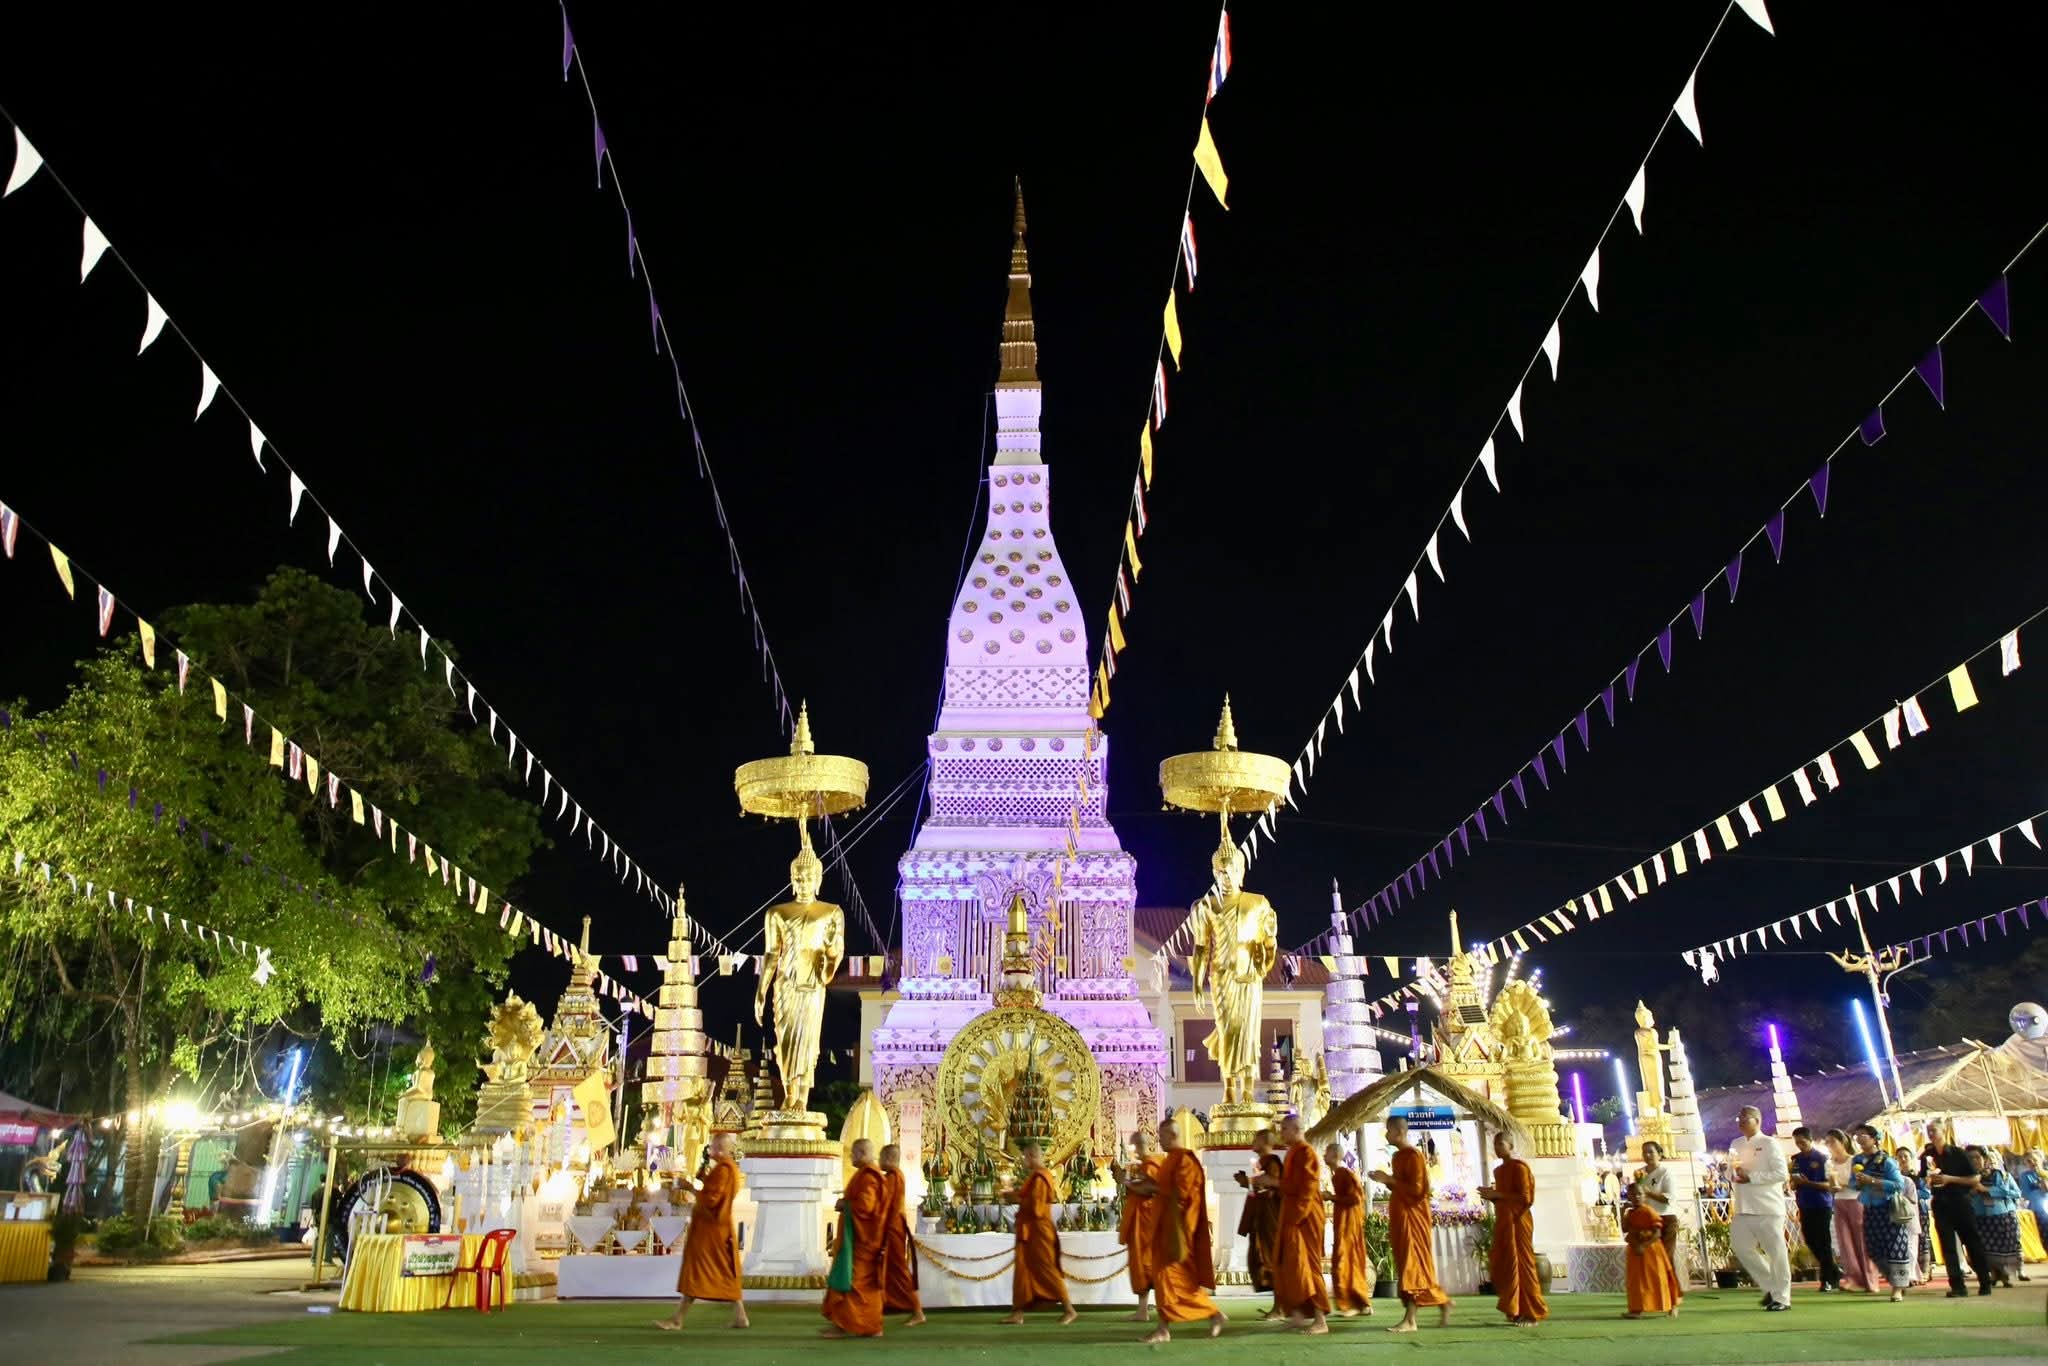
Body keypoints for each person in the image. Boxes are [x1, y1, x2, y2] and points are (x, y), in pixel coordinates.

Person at [1134, 1117, 1226, 1343]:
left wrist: (1152, 1187)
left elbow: (1181, 1194)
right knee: (1168, 1279)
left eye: (1162, 1135)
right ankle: (1172, 1326)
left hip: (1179, 1228)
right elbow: (1163, 1190)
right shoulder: (1169, 1160)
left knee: (1174, 1278)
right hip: (1165, 1226)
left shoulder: (1185, 1160)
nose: (1159, 1139)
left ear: (1173, 1135)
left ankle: (1210, 1314)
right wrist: (1143, 1187)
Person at [656, 1131, 749, 1331]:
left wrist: (690, 1188)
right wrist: (703, 1178)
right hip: (716, 1229)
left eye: (713, 1146)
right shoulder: (725, 1169)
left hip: (711, 1231)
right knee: (725, 1274)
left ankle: (677, 1319)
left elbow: (712, 1200)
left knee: (697, 1272)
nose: (710, 1149)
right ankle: (740, 1316)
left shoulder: (724, 1170)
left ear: (721, 1149)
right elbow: (713, 1192)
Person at [1370, 1114, 1453, 1333]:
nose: (1386, 1134)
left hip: (1414, 1218)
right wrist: (1386, 1180)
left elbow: (1418, 1190)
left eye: (1388, 1131)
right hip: (1401, 1216)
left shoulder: (1414, 1156)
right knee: (1411, 1266)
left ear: (1399, 1132)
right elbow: (1400, 1186)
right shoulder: (1398, 1157)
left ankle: (1410, 1319)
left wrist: (1387, 1179)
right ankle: (1442, 1301)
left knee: (1412, 1267)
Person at [1001, 1142, 1076, 1325]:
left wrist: (1015, 1197)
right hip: (1029, 1231)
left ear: (1032, 1156)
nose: (1024, 1161)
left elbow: (1036, 1208)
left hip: (1039, 1230)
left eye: (1025, 1157)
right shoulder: (1034, 1177)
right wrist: (1016, 1195)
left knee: (1046, 1269)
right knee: (1023, 1270)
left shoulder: (1042, 1177)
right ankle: (1017, 1312)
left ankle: (1069, 1309)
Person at [1727, 1105, 1792, 1311]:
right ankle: (1770, 1286)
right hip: (1744, 1205)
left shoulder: (1769, 1143)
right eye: (1739, 1118)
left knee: (1776, 1253)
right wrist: (1730, 1173)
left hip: (1768, 1206)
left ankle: (1782, 1297)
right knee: (1740, 1246)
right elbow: (1731, 1173)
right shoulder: (1735, 1144)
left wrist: (1753, 1177)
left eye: (1745, 1118)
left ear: (1757, 1120)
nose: (1741, 1122)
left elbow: (1781, 1174)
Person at [1478, 1132, 1545, 1326]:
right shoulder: (1499, 1171)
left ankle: (1531, 1312)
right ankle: (1515, 1308)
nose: (1497, 1148)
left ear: (1510, 1145)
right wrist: (1492, 1196)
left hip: (1519, 1220)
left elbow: (1525, 1198)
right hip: (1505, 1221)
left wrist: (1497, 1194)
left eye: (1501, 1144)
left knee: (1523, 1265)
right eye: (1495, 1145)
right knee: (1507, 1264)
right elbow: (1504, 1197)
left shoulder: (1520, 1168)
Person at [822, 1138, 887, 1338]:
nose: (851, 1157)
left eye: (853, 1153)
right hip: (857, 1238)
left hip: (862, 1241)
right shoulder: (864, 1175)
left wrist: (845, 1205)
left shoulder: (869, 1177)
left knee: (854, 1282)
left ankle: (858, 1326)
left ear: (862, 1154)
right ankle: (861, 1325)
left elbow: (866, 1207)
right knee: (857, 1283)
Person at [1271, 1113, 1330, 1334]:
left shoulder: (1306, 1153)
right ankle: (1297, 1314)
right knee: (1291, 1266)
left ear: (1297, 1130)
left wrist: (1295, 1218)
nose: (1281, 1133)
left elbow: (1307, 1189)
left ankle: (1320, 1320)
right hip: (1293, 1215)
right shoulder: (1293, 1153)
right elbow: (1291, 1186)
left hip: (1304, 1217)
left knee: (1307, 1267)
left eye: (1284, 1129)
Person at [1925, 1122, 1993, 1297]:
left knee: (1972, 1242)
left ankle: (1985, 1281)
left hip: (1960, 1202)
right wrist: (1927, 1180)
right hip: (1940, 1204)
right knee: (1948, 1246)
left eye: (1934, 1130)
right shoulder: (1927, 1155)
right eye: (1929, 1131)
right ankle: (1957, 1286)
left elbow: (1974, 1178)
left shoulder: (1957, 1153)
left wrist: (1950, 1179)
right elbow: (1922, 1177)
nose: (1931, 1134)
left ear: (1944, 1131)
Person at [1849, 1126, 1912, 1301]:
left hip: (1888, 1208)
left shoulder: (1886, 1161)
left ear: (1874, 1138)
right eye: (1858, 1135)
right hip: (1870, 1208)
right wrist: (1860, 1183)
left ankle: (1897, 1289)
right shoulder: (1857, 1160)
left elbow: (1899, 1185)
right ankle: (1896, 1281)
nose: (1860, 1138)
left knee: (1895, 1248)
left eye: (1864, 1135)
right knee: (1874, 1249)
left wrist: (1873, 1181)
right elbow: (1853, 1184)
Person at [1235, 1128, 1284, 1315]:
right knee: (1260, 1259)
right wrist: (1247, 1181)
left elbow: (1273, 1184)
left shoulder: (1272, 1162)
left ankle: (1280, 1308)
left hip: (1270, 1218)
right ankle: (1277, 1307)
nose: (1252, 1141)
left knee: (1271, 1260)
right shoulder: (1262, 1163)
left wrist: (1253, 1180)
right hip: (1261, 1217)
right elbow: (1262, 1186)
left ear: (1264, 1142)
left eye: (1256, 1138)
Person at [1787, 1128, 1841, 1291]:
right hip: (1804, 1203)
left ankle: (1827, 1279)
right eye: (1797, 1142)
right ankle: (1834, 1271)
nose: (1800, 1145)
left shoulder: (1822, 1159)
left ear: (1810, 1140)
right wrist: (1795, 1183)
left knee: (1823, 1241)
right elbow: (1793, 1182)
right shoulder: (1796, 1160)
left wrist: (1808, 1183)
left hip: (1821, 1204)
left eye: (1802, 1142)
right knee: (1810, 1240)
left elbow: (1829, 1184)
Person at [878, 1143, 925, 1327]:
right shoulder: (891, 1176)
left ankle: (918, 1311)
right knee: (889, 1270)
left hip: (893, 1229)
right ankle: (884, 1305)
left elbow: (883, 1203)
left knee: (900, 1271)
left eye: (881, 1158)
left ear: (889, 1159)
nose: (879, 1162)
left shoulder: (894, 1177)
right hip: (890, 1228)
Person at [1826, 1128, 1878, 1293]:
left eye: (1833, 1141)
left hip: (1856, 1200)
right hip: (1839, 1201)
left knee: (1862, 1241)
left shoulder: (1854, 1160)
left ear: (1843, 1142)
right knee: (1845, 1242)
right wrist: (1833, 1187)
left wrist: (1840, 1184)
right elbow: (1831, 1185)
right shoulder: (1830, 1163)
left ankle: (1870, 1279)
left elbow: (1858, 1182)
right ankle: (1853, 1278)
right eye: (1828, 1142)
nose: (1830, 1145)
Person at [1326, 1142, 1374, 1318]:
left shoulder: (1345, 1173)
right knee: (1344, 1264)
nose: (1324, 1156)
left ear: (1334, 1155)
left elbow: (1356, 1198)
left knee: (1346, 1264)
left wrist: (1331, 1197)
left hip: (1350, 1226)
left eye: (1327, 1153)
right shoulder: (1337, 1175)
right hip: (1343, 1224)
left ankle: (1356, 1303)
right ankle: (1356, 1304)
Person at [1119, 1129, 1162, 1322]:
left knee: (1145, 1263)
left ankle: (1152, 1308)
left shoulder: (1151, 1164)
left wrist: (1128, 1184)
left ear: (1136, 1146)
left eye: (1132, 1145)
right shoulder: (1140, 1165)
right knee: (1139, 1264)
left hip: (1146, 1221)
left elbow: (1154, 1188)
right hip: (1139, 1219)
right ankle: (1142, 1309)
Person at [1622, 1182, 1681, 1318]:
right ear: (1629, 1196)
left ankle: (1672, 1306)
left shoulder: (1649, 1211)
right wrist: (1623, 1213)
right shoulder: (1630, 1213)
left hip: (1651, 1250)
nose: (1636, 1197)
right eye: (1633, 1195)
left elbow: (1657, 1233)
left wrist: (1644, 1245)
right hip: (1635, 1250)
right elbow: (1625, 1229)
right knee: (1636, 1280)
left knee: (1659, 1279)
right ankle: (1636, 1309)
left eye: (1639, 1194)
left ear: (1644, 1196)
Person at [1970, 1147, 2023, 1289]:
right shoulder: (1969, 1177)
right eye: (1971, 1158)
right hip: (1980, 1216)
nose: (1974, 1161)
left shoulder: (1999, 1175)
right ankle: (1993, 1274)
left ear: (1984, 1158)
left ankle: (2006, 1276)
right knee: (1986, 1248)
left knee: (2004, 1247)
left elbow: (2010, 1192)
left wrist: (1987, 1190)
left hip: (2000, 1215)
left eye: (1977, 1157)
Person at [1636, 1141, 1681, 1267]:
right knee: (1649, 1258)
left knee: (1665, 1257)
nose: (1647, 1155)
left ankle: (1669, 1285)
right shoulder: (1640, 1173)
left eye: (1651, 1152)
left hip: (1665, 1217)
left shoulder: (1666, 1172)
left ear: (1659, 1154)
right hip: (1646, 1219)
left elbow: (1669, 1198)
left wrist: (1648, 1193)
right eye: (1644, 1152)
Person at [1902, 1145, 1934, 1284]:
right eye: (1899, 1156)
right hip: (1903, 1213)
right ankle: (1914, 1272)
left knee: (1923, 1239)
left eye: (1905, 1156)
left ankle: (1925, 1269)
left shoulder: (1917, 1177)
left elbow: (1926, 1193)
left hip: (1919, 1210)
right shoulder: (1897, 1177)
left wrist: (1911, 1194)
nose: (1903, 1159)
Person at [2018, 1151, 2048, 1277]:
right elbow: (2025, 1194)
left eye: (2034, 1160)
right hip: (2036, 1201)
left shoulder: (2046, 1172)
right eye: (2029, 1161)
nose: (2032, 1163)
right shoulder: (2025, 1176)